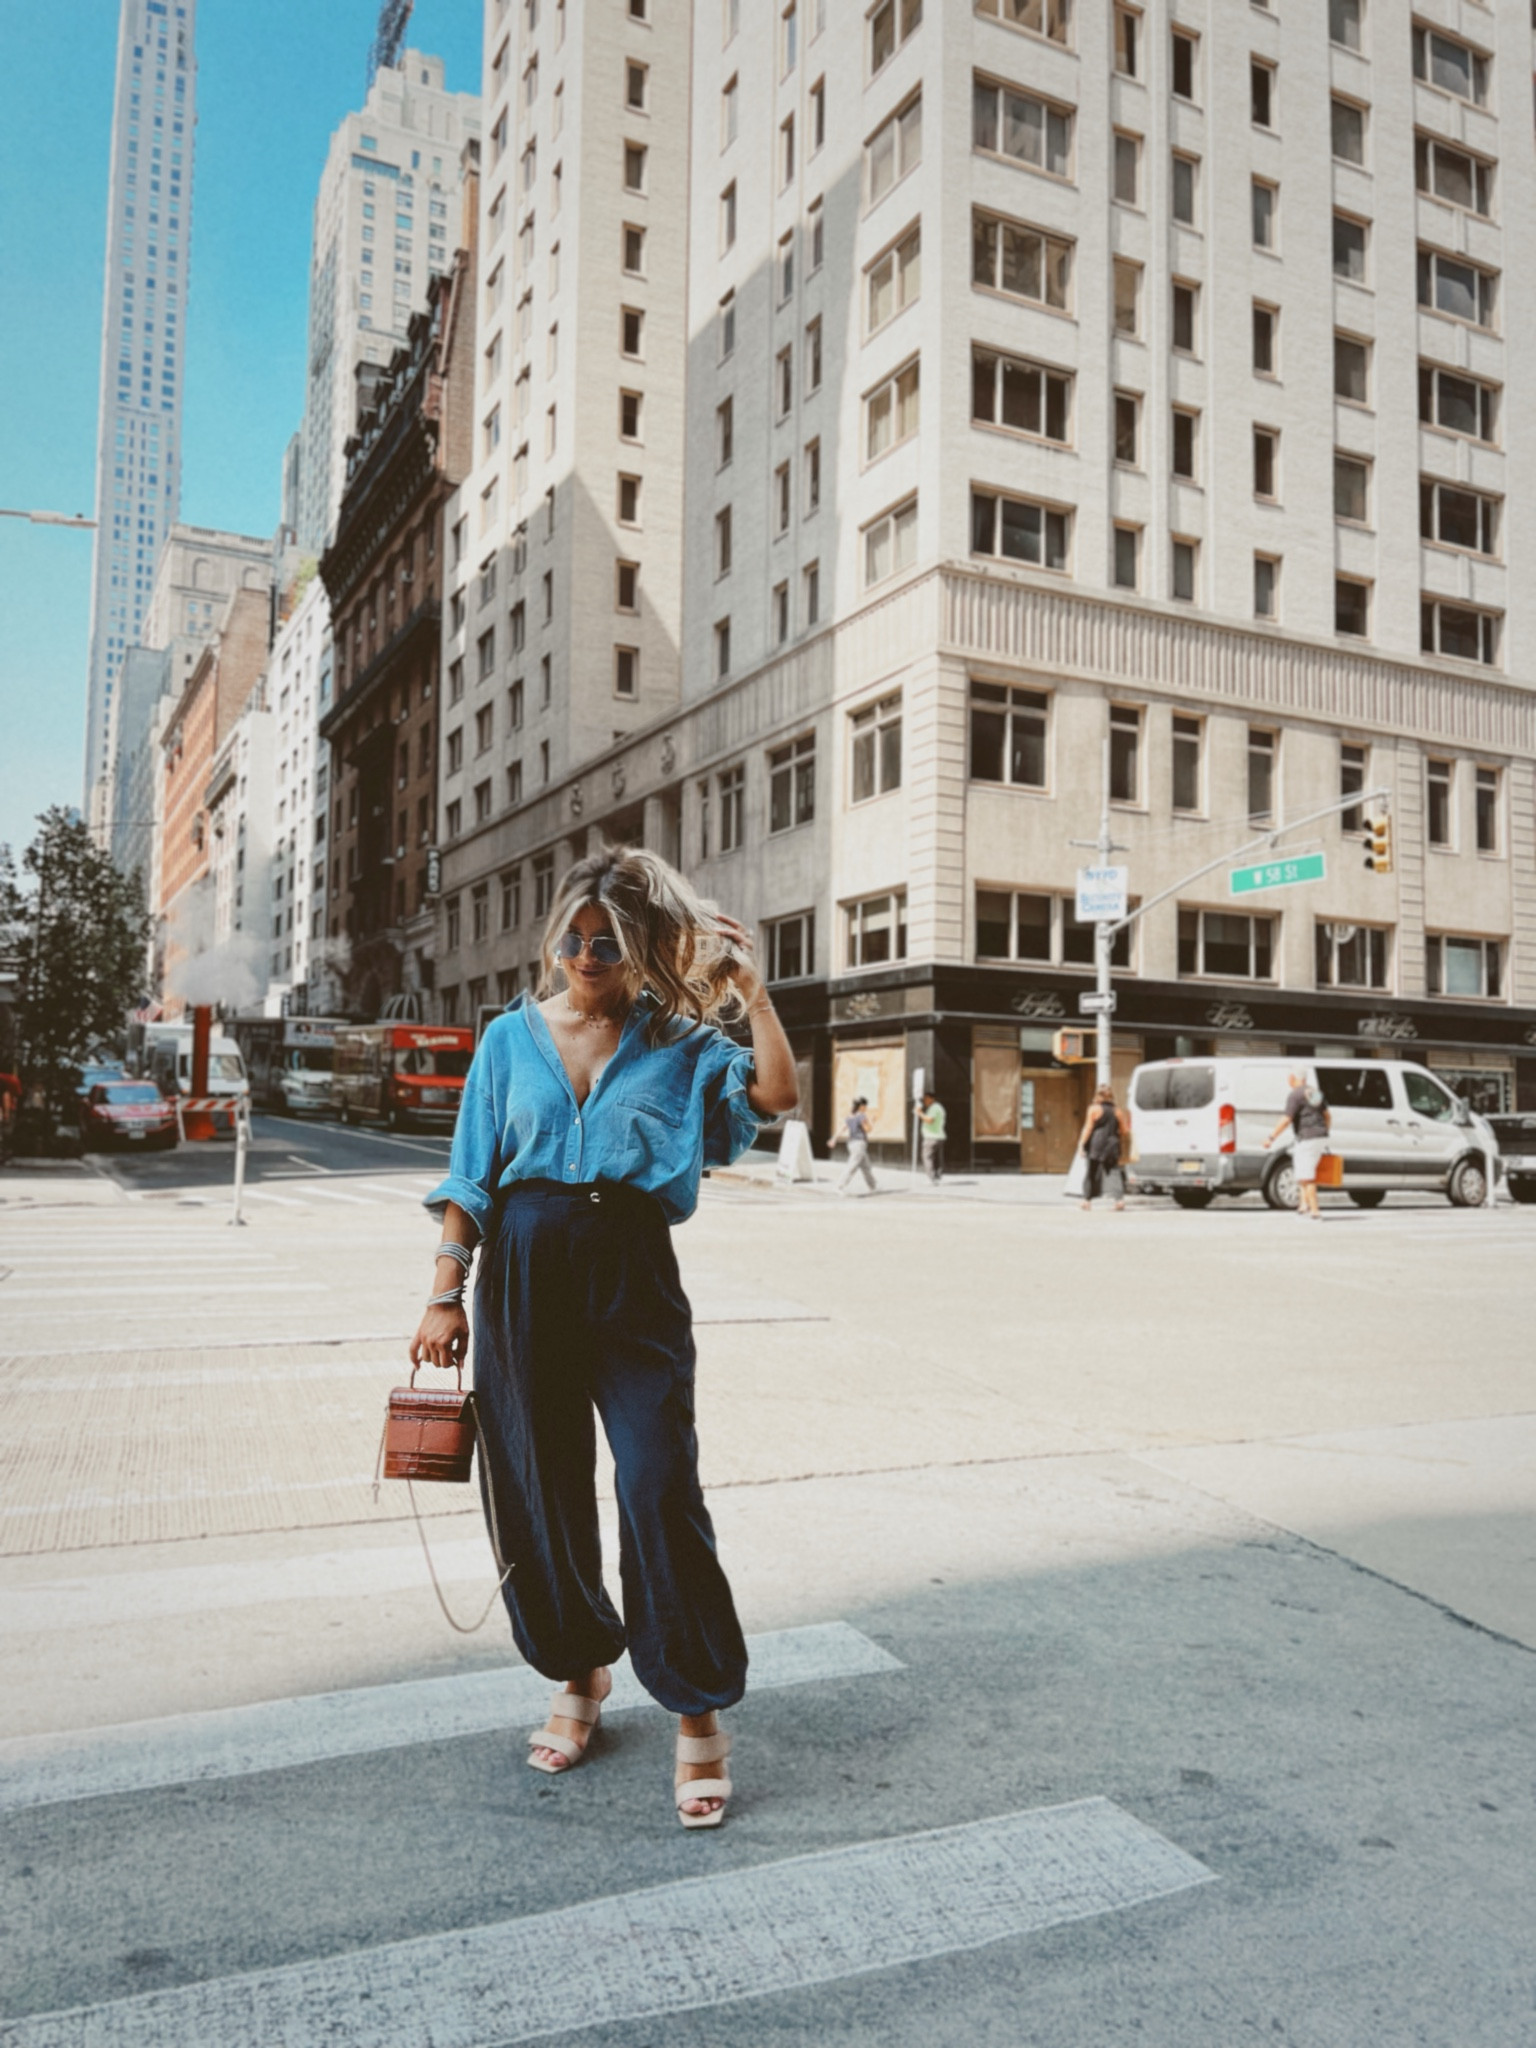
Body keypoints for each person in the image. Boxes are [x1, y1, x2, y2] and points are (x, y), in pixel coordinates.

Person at [414, 847, 799, 1828]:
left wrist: (752, 995)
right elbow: (470, 1177)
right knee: (538, 1480)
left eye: (610, 941)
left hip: (632, 1275)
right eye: (575, 938)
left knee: (656, 1478)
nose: (587, 956)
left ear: (642, 951)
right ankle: (581, 1671)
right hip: (525, 1274)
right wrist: (444, 1294)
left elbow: (775, 1098)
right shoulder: (509, 1038)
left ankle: (696, 1704)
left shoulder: (678, 1042)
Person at [1264, 1069, 1332, 1219]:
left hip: (1307, 1137)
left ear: (1292, 1078)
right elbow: (1327, 1115)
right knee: (1301, 1170)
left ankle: (1315, 1211)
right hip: (1319, 1136)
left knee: (1307, 1175)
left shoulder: (1295, 1095)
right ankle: (1303, 1205)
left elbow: (1287, 1119)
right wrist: (1324, 1130)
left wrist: (1271, 1137)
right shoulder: (1314, 1092)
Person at [1077, 1084, 1129, 1211]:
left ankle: (1087, 1201)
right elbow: (1124, 1130)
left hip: (1096, 1143)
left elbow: (1088, 1128)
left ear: (1097, 1095)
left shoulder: (1093, 1109)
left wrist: (1081, 1145)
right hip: (1112, 1144)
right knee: (1114, 1172)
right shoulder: (1117, 1111)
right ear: (1111, 1095)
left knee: (1091, 1171)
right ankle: (1119, 1201)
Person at [836, 1096, 877, 1195]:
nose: (866, 1108)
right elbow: (867, 1130)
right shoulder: (861, 1116)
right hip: (859, 1144)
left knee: (866, 1166)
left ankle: (873, 1186)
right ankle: (840, 1186)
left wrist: (834, 1139)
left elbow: (843, 1128)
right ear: (861, 1106)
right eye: (865, 1105)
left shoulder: (850, 1116)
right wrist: (872, 1122)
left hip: (851, 1143)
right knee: (852, 1165)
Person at [919, 1090, 947, 1183]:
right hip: (939, 1136)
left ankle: (932, 1177)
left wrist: (919, 1113)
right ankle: (938, 1175)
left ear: (932, 1099)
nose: (925, 1101)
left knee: (927, 1157)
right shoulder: (938, 1107)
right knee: (937, 1158)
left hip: (931, 1137)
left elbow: (930, 1120)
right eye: (924, 1099)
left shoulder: (935, 1108)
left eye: (926, 1099)